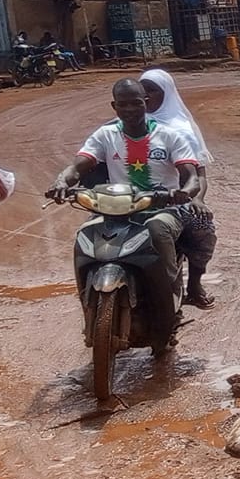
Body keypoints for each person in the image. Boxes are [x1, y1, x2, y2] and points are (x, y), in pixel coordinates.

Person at [51, 79, 202, 351]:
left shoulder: (169, 135)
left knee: (158, 230)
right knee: (84, 235)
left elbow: (191, 177)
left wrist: (182, 192)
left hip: (163, 209)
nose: (130, 109)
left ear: (146, 102)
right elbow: (77, 166)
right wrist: (63, 181)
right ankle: (88, 307)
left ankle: (169, 300)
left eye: (136, 102)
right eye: (123, 104)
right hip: (116, 209)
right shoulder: (105, 135)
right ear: (115, 106)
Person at [139, 70, 219, 308]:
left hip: (174, 199)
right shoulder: (127, 125)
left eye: (152, 91)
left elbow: (199, 175)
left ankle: (194, 285)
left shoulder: (180, 129)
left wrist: (197, 198)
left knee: (203, 229)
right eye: (142, 91)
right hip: (132, 199)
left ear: (167, 94)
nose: (146, 97)